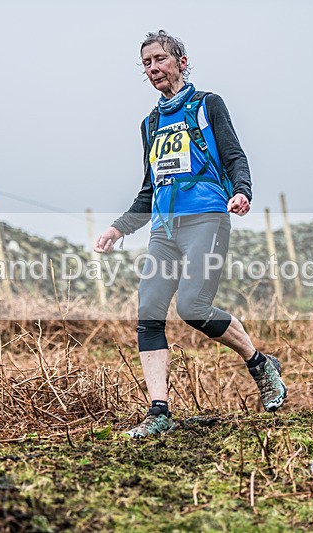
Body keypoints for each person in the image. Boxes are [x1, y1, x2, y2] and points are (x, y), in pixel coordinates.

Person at [94, 30, 286, 438]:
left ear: (181, 61)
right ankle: (159, 412)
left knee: (194, 307)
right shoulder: (149, 124)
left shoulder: (207, 105)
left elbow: (234, 155)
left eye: (160, 59)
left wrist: (241, 191)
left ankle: (259, 364)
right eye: (146, 63)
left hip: (207, 219)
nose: (153, 68)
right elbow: (150, 190)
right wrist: (118, 227)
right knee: (149, 313)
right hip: (164, 229)